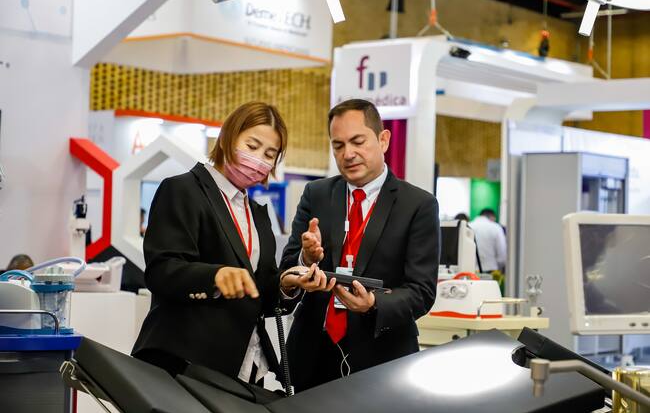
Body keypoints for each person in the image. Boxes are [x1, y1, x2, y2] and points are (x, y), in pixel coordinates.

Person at [132, 102, 329, 384]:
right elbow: (162, 270)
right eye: (252, 146)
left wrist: (290, 280)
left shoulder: (258, 215)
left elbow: (260, 293)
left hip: (245, 368)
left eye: (269, 154)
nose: (258, 159)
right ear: (227, 137)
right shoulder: (183, 189)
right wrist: (215, 276)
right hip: (185, 363)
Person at [281, 99, 440, 392]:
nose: (348, 154)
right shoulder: (316, 194)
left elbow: (422, 291)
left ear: (383, 140)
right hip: (313, 355)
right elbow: (287, 268)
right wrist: (305, 258)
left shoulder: (418, 205)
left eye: (357, 142)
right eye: (338, 145)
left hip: (382, 358)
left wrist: (374, 304)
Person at [470, 208, 507, 273]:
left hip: (470, 271)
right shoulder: (496, 227)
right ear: (492, 217)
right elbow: (502, 255)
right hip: (491, 271)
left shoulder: (469, 226)